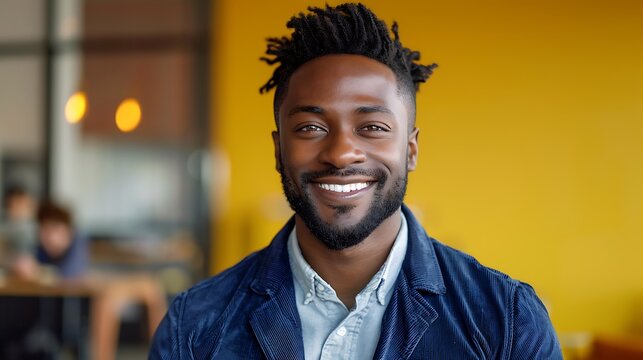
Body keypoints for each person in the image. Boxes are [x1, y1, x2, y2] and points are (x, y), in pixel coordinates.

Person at [150, 3, 562, 359]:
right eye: (311, 127)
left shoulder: (507, 322)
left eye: (373, 127)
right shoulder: (194, 328)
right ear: (279, 150)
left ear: (411, 150)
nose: (341, 153)